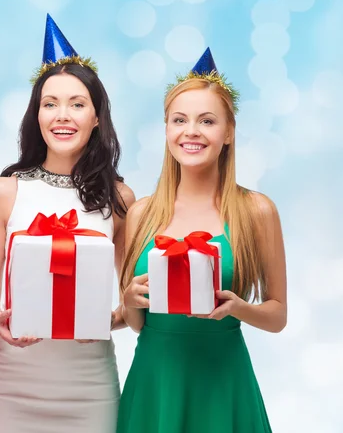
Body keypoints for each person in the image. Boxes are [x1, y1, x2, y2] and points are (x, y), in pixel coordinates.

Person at [0, 15, 135, 433]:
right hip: (11, 383)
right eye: (50, 103)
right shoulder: (4, 192)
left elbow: (130, 303)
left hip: (89, 385)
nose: (62, 115)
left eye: (77, 104)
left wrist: (108, 321)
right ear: (37, 115)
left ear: (98, 117)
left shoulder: (120, 199)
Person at [116, 48, 287, 433]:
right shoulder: (142, 213)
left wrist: (237, 307)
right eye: (179, 120)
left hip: (223, 380)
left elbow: (278, 316)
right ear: (166, 130)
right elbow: (138, 324)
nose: (190, 131)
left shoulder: (256, 211)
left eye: (206, 120)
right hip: (155, 381)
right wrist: (128, 301)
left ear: (228, 133)